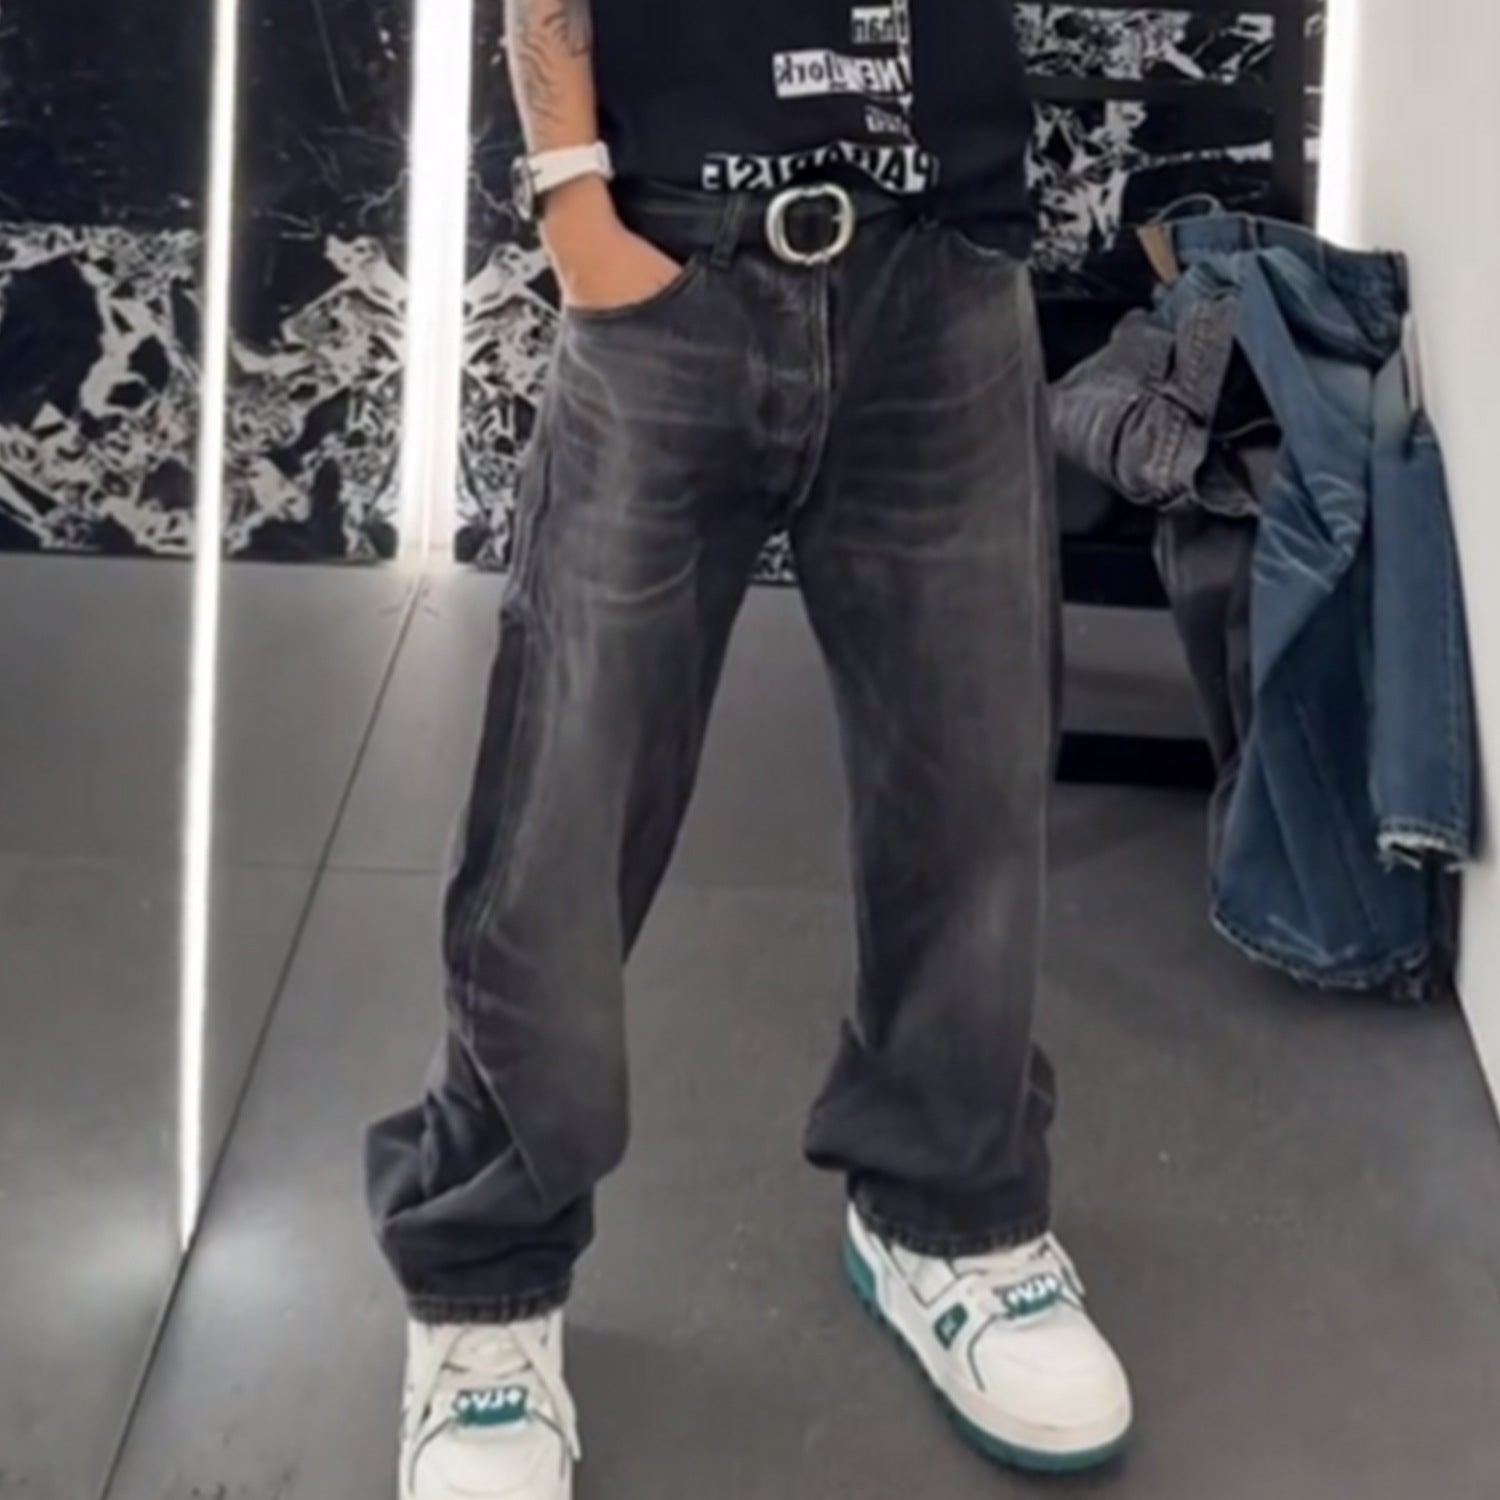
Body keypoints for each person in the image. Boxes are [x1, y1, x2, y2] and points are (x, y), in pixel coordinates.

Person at [367, 3, 1133, 1495]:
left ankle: (950, 1212)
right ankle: (485, 1281)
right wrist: (574, 202)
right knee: (569, 801)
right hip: (671, 254)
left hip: (940, 254)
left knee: (972, 782)